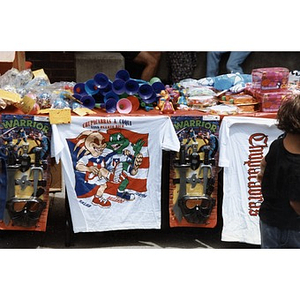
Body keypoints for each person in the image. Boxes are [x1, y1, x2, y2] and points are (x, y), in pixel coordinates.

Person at [257, 94, 300, 248]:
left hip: (269, 219)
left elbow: (264, 164)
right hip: (293, 228)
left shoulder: (277, 145)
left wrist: (265, 177)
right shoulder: (297, 166)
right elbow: (296, 202)